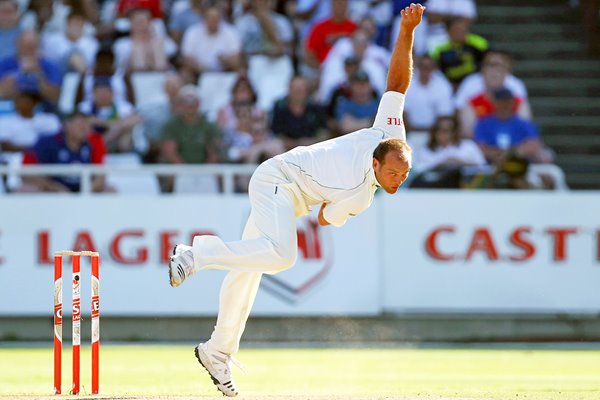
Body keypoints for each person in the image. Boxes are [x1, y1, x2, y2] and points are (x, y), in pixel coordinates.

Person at [166, 3, 424, 397]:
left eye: (403, 176)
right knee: (282, 255)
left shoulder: (381, 165)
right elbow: (397, 81)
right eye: (392, 173)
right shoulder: (380, 140)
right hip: (277, 178)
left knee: (247, 273)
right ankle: (194, 255)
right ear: (377, 161)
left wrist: (326, 205)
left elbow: (323, 217)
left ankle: (217, 351)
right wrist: (407, 30)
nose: (397, 181)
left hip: (287, 197)